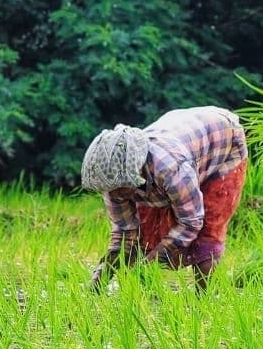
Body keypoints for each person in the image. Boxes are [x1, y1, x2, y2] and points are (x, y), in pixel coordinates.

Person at [82, 106, 248, 292]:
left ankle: (203, 299)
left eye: (120, 189)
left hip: (222, 142)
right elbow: (125, 232)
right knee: (146, 231)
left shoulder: (171, 168)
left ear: (136, 172)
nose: (116, 196)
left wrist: (151, 263)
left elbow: (191, 221)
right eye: (110, 191)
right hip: (182, 135)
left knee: (208, 228)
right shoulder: (112, 180)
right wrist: (99, 278)